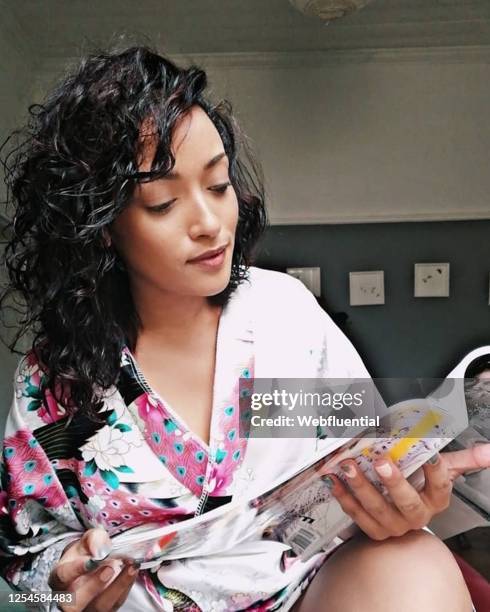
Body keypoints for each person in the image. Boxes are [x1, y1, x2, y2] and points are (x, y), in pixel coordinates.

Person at [0, 45, 488, 612]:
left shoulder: (284, 313)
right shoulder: (53, 384)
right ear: (103, 226)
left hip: (312, 591)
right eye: (162, 203)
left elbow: (361, 453)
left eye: (218, 186)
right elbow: (24, 564)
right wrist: (61, 582)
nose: (210, 225)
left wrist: (399, 503)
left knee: (414, 564)